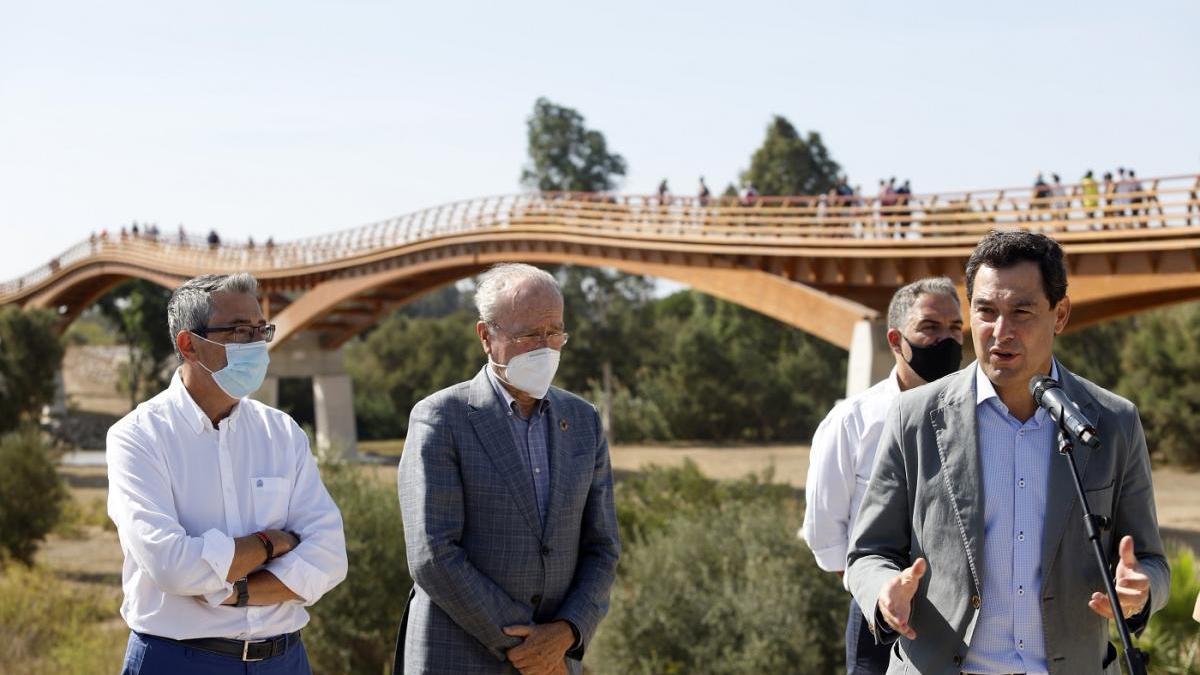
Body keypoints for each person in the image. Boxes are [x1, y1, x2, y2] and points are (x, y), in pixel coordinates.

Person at [846, 230, 1170, 674]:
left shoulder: (1114, 421)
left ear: (1060, 315)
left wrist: (1143, 588)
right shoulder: (914, 417)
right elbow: (867, 554)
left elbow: (1151, 561)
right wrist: (884, 589)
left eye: (1021, 312)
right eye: (985, 311)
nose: (1001, 332)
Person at [107, 273, 348, 674]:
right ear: (189, 345)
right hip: (177, 661)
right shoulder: (138, 437)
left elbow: (329, 557)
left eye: (260, 330)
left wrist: (234, 592)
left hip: (283, 661)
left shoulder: (281, 432)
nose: (256, 344)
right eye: (239, 332)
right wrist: (271, 543)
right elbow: (172, 566)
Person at [395, 263, 620, 675]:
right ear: (486, 336)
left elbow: (602, 548)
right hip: (456, 658)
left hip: (555, 660)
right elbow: (433, 554)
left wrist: (566, 633)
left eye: (555, 332)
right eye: (529, 335)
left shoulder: (584, 421)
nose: (546, 347)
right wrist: (528, 645)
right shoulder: (441, 418)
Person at [802, 277, 964, 675]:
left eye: (954, 329)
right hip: (879, 622)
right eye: (929, 328)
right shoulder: (852, 421)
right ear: (895, 340)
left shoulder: (981, 414)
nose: (945, 340)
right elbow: (826, 534)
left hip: (967, 618)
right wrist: (880, 592)